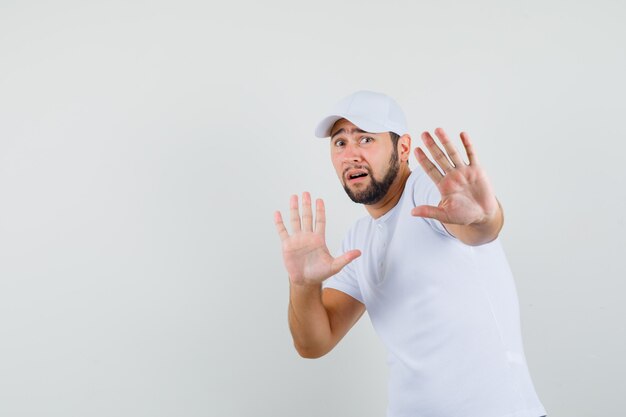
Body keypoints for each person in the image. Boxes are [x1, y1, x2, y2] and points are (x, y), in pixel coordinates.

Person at [274, 90, 547, 417]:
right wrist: (303, 285)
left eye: (365, 140)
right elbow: (313, 344)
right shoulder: (358, 239)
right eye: (340, 143)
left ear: (403, 148)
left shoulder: (427, 193)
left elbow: (480, 230)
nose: (350, 155)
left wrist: (483, 216)